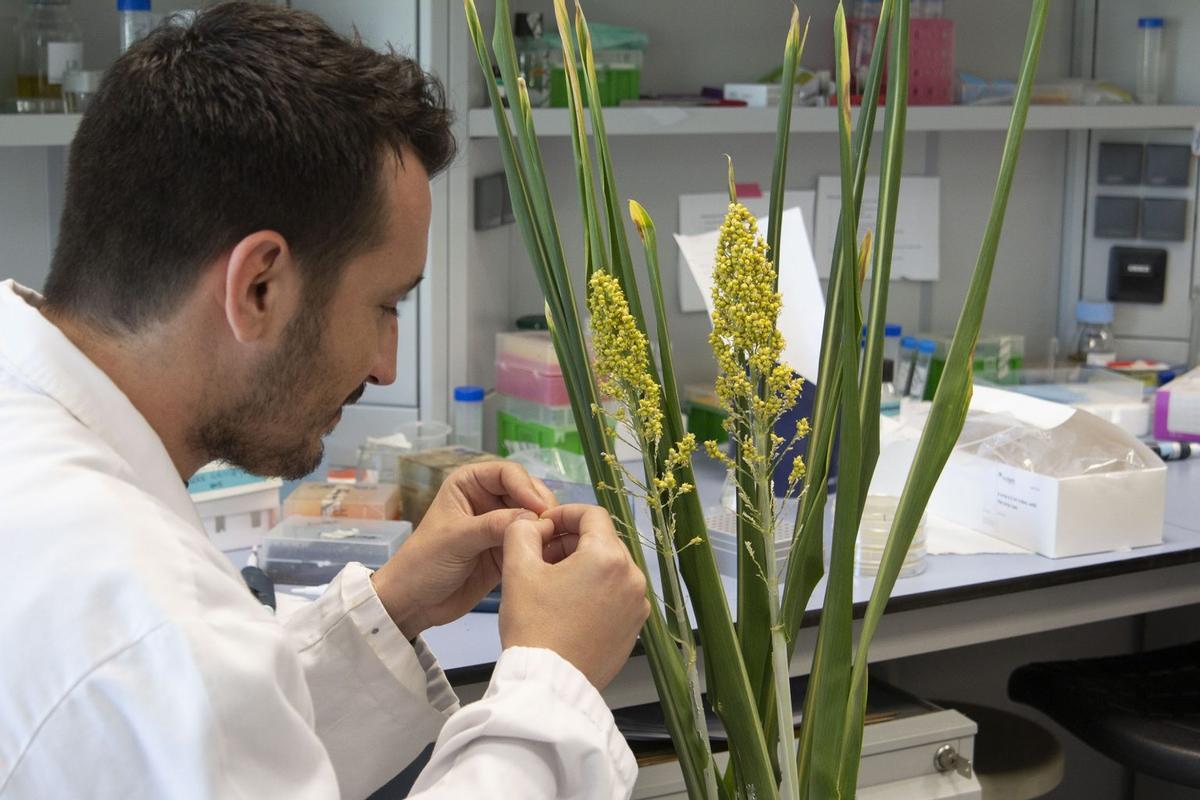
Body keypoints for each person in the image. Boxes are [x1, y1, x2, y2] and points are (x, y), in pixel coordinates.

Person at [0, 4, 650, 798]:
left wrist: (391, 609)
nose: (386, 367)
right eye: (386, 306)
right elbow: (186, 686)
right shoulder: (150, 625)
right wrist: (553, 683)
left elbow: (221, 747)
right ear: (259, 287)